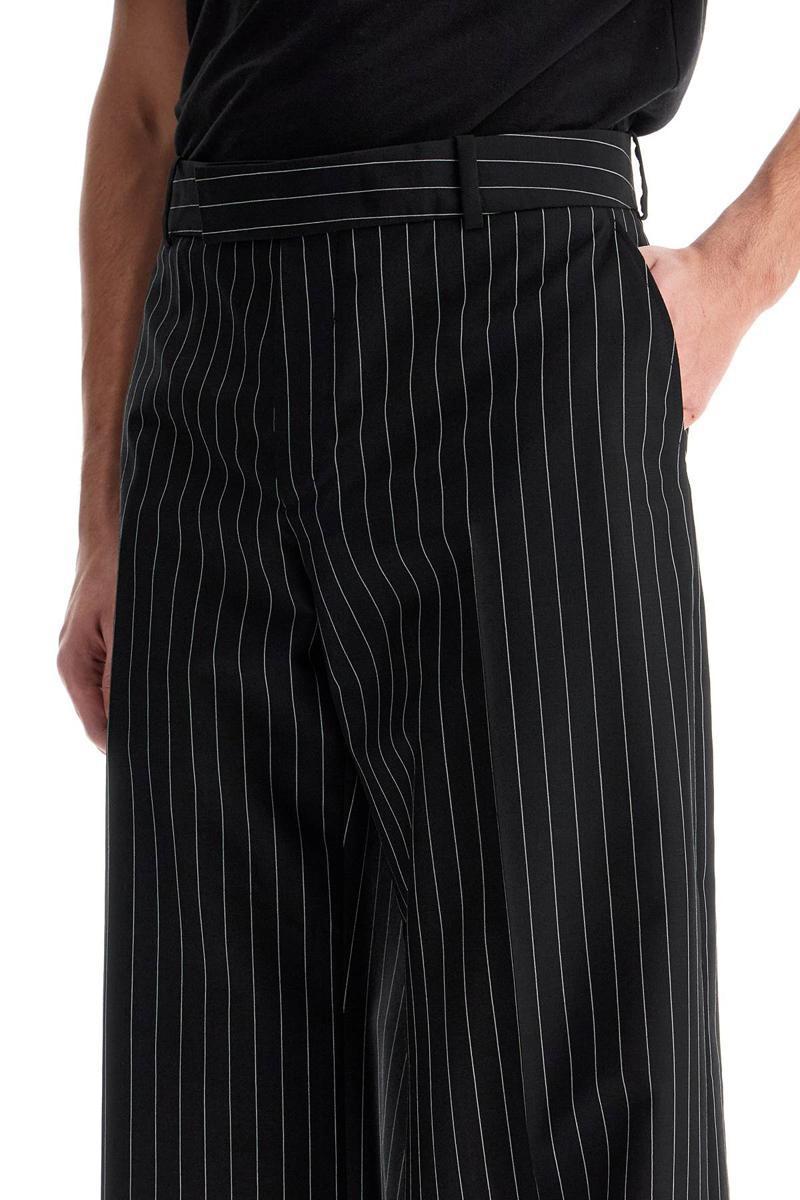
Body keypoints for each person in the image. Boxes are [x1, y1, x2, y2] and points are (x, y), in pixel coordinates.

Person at [57, 1, 799, 1196]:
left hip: (519, 326)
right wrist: (105, 515)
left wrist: (735, 272)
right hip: (212, 365)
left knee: (555, 1106)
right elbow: (148, 103)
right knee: (210, 1112)